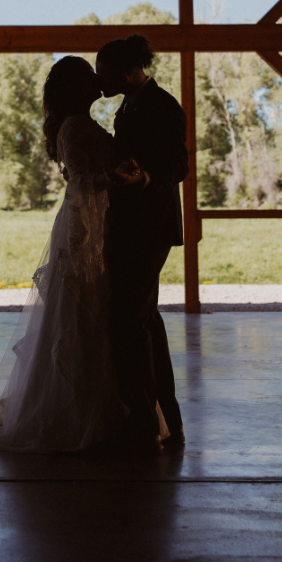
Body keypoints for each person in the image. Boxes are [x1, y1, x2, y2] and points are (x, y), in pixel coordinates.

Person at [0, 55, 133, 453]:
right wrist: (116, 177)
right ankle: (74, 413)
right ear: (76, 87)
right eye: (89, 77)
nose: (96, 80)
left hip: (98, 222)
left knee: (96, 316)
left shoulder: (83, 123)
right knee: (79, 314)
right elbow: (81, 182)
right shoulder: (73, 127)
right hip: (82, 227)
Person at [95, 34, 188, 451]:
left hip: (151, 226)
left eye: (104, 72)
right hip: (133, 225)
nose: (100, 80)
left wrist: (144, 177)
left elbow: (179, 164)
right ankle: (163, 419)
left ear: (126, 71)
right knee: (143, 320)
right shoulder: (128, 107)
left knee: (132, 322)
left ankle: (145, 424)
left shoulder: (163, 105)